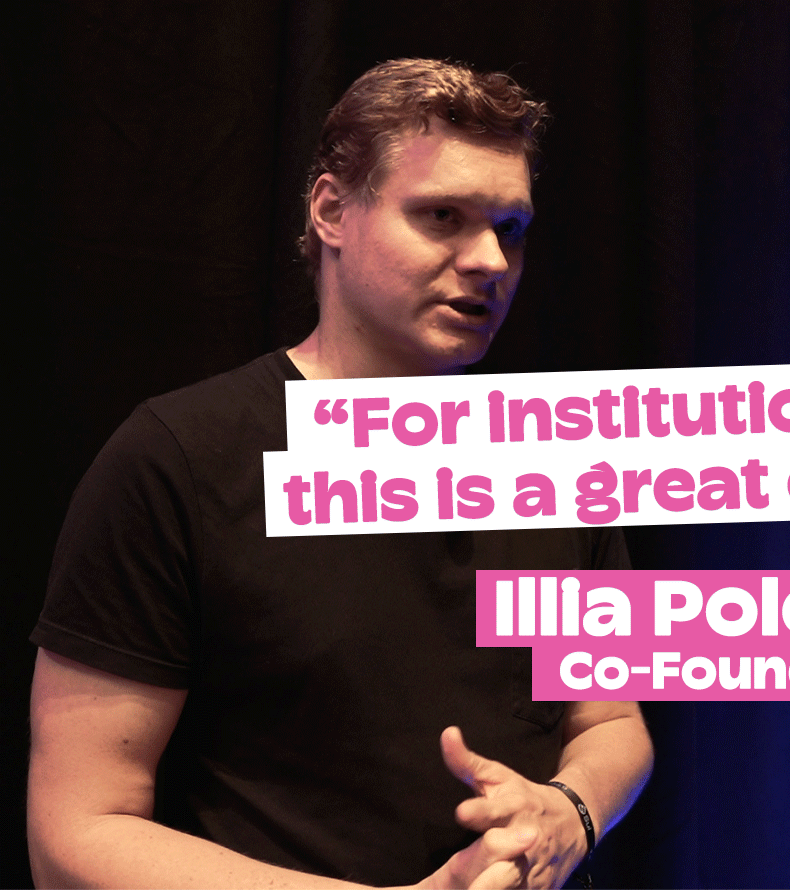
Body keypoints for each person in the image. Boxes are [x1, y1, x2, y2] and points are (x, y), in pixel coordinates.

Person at [27, 59, 653, 890]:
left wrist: (569, 811)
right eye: (442, 216)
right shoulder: (178, 458)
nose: (490, 260)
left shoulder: (556, 457)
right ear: (331, 211)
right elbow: (75, 832)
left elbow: (612, 722)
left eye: (510, 228)